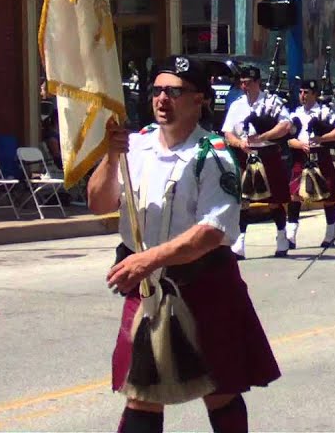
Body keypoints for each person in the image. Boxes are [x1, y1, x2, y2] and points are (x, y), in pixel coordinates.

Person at [89, 56, 280, 433]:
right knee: (142, 391)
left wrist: (147, 259)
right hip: (147, 289)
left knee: (219, 388)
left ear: (200, 100)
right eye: (157, 90)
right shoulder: (135, 145)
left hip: (204, 284)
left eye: (174, 91)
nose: (162, 98)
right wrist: (111, 157)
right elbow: (98, 203)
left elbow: (213, 231)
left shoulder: (214, 154)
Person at [220, 66, 293, 259]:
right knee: (242, 201)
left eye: (248, 82)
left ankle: (281, 237)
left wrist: (263, 137)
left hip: (267, 153)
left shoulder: (272, 102)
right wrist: (239, 143)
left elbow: (285, 125)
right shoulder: (237, 105)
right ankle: (240, 244)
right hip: (244, 155)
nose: (245, 86)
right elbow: (227, 132)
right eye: (242, 82)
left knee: (274, 201)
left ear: (258, 82)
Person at [285, 80, 335, 248]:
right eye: (301, 92)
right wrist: (298, 144)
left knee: (328, 196)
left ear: (314, 94)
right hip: (300, 156)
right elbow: (287, 138)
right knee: (294, 195)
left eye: (306, 92)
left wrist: (321, 139)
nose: (302, 96)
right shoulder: (295, 114)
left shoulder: (324, 112)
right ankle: (290, 235)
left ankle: (330, 233)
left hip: (320, 155)